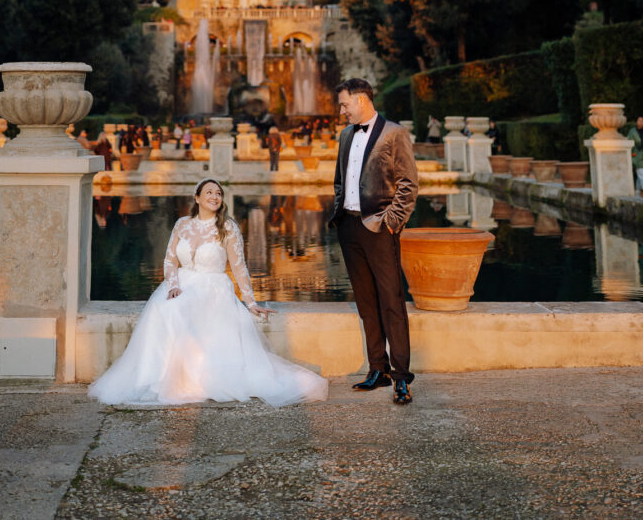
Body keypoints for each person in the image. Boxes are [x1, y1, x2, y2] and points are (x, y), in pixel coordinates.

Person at [88, 178, 328, 406]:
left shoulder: (227, 227)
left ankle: (188, 380)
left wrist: (251, 302)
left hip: (213, 288)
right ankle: (155, 377)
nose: (215, 196)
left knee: (178, 310)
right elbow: (170, 259)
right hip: (181, 283)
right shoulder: (182, 224)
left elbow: (239, 266)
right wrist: (173, 285)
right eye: (209, 192)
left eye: (219, 193)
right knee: (163, 307)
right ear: (197, 197)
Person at [330, 77, 418, 406]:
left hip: (380, 229)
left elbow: (408, 185)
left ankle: (401, 378)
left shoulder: (394, 133)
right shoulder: (344, 135)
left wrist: (391, 223)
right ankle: (377, 369)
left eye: (344, 104)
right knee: (366, 304)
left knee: (391, 303)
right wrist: (339, 211)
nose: (341, 111)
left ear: (362, 100)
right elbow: (340, 181)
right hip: (349, 227)